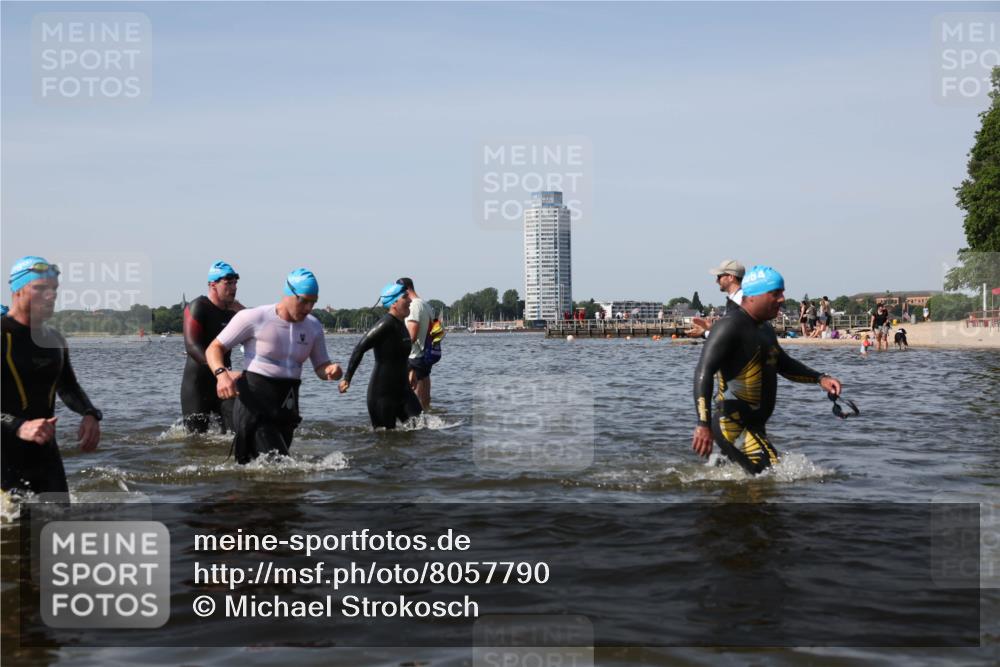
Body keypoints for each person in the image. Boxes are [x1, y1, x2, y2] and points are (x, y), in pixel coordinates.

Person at [691, 265, 842, 475]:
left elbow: (782, 363)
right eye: (775, 293)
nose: (782, 299)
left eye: (782, 292)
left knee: (756, 482)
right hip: (732, 424)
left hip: (754, 424)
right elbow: (703, 373)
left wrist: (820, 378)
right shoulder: (729, 326)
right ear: (753, 296)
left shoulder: (764, 329)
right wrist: (703, 424)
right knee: (771, 475)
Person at [206, 268, 342, 464]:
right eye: (304, 300)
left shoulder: (313, 326)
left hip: (286, 409)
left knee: (264, 472)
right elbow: (214, 348)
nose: (308, 307)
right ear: (289, 293)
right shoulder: (254, 317)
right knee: (281, 466)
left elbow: (321, 365)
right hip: (254, 405)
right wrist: (221, 374)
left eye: (314, 302)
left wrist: (330, 370)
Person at [2, 256, 102, 494]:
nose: (50, 295)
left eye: (54, 289)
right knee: (12, 528)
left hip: (45, 456)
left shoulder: (54, 340)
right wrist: (18, 426)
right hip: (3, 456)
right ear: (17, 290)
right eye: (39, 288)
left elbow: (68, 386)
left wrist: (89, 414)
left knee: (59, 525)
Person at [339, 282, 422, 429]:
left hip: (404, 391)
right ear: (394, 303)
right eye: (405, 297)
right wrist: (347, 378)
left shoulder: (401, 324)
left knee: (422, 428)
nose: (410, 300)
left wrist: (410, 369)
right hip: (383, 395)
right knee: (385, 441)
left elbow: (397, 354)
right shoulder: (385, 324)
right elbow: (360, 348)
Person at [181, 261, 244, 434]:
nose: (233, 287)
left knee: (237, 433)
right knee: (196, 441)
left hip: (225, 381)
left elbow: (260, 332)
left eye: (235, 283)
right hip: (197, 385)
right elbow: (192, 346)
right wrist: (220, 371)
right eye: (228, 283)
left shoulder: (233, 312)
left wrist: (243, 312)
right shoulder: (197, 307)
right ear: (213, 285)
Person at [399, 277, 434, 410]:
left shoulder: (413, 306)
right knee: (425, 399)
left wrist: (397, 347)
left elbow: (412, 335)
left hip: (415, 356)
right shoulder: (426, 305)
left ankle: (416, 424)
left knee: (414, 398)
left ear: (405, 290)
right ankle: (426, 421)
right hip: (426, 355)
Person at [686, 259, 745, 338]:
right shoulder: (739, 298)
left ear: (731, 277)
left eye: (719, 276)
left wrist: (707, 330)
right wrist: (707, 330)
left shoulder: (738, 300)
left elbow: (732, 333)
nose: (716, 281)